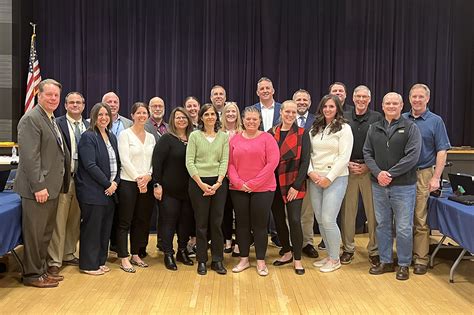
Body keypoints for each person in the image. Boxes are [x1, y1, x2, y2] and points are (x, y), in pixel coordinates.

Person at [15, 79, 70, 287]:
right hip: (37, 189)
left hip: (52, 188)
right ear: (39, 95)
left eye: (56, 95)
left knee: (45, 234)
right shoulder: (31, 119)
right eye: (49, 95)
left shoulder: (50, 118)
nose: (53, 98)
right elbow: (30, 158)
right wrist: (39, 186)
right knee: (35, 235)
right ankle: (32, 275)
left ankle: (42, 270)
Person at [364, 92, 421, 281]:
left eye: (395, 103)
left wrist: (390, 174)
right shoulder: (374, 128)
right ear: (382, 105)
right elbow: (367, 153)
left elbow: (412, 156)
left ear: (401, 105)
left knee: (404, 227)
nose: (391, 106)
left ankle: (404, 264)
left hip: (403, 186)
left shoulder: (411, 127)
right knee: (383, 225)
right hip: (378, 185)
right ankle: (386, 261)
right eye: (387, 103)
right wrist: (378, 173)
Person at [402, 84, 451, 275]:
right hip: (402, 174)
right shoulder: (402, 118)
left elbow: (442, 150)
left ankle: (421, 258)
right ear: (409, 98)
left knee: (420, 218)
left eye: (421, 97)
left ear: (427, 99)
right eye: (414, 96)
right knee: (402, 218)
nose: (417, 100)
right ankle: (405, 255)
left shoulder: (435, 121)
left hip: (423, 173)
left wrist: (436, 177)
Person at [228, 106, 280, 276]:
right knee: (242, 225)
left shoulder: (268, 138)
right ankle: (243, 259)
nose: (251, 121)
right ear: (242, 120)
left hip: (263, 189)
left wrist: (253, 184)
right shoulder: (234, 139)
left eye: (254, 119)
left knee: (260, 225)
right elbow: (229, 164)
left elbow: (272, 163)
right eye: (248, 119)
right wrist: (238, 182)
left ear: (260, 121)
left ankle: (260, 261)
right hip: (238, 188)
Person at [308, 94, 353, 273]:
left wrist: (329, 177)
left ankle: (335, 259)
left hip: (336, 178)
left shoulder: (344, 128)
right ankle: (329, 255)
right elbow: (308, 153)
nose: (328, 109)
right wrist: (311, 172)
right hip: (315, 178)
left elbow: (344, 157)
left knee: (328, 219)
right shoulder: (315, 128)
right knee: (320, 219)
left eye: (331, 107)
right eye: (325, 106)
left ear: (337, 109)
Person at [47, 92, 89, 280]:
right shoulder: (57, 124)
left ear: (83, 105)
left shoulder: (89, 125)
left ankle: (69, 253)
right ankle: (54, 261)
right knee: (59, 221)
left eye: (78, 102)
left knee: (75, 220)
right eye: (71, 102)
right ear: (65, 105)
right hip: (65, 179)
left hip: (84, 181)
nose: (75, 105)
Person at [76, 102, 120, 276]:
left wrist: (115, 183)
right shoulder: (89, 136)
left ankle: (99, 261)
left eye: (106, 115)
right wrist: (108, 184)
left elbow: (118, 163)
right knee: (92, 229)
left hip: (110, 192)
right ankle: (88, 264)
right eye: (100, 114)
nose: (103, 118)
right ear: (94, 117)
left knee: (104, 229)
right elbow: (90, 165)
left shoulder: (111, 136)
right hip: (93, 191)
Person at [340, 85, 382, 266]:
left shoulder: (377, 117)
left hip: (369, 171)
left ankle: (374, 250)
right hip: (347, 169)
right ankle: (348, 249)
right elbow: (338, 143)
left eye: (365, 97)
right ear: (353, 98)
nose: (361, 100)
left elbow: (380, 146)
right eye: (358, 96)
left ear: (370, 99)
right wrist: (346, 163)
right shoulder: (344, 117)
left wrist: (368, 166)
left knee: (373, 214)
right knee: (347, 213)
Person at [186, 104, 229, 275]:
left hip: (218, 184)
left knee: (216, 223)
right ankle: (202, 260)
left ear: (216, 117)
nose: (210, 117)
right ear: (201, 117)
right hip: (198, 184)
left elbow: (224, 161)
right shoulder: (195, 136)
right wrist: (201, 184)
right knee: (201, 224)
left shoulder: (224, 137)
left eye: (213, 114)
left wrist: (218, 183)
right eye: (207, 114)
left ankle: (217, 260)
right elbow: (189, 161)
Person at [269, 100, 310, 275]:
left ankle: (298, 259)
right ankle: (286, 252)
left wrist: (296, 185)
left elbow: (305, 162)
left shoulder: (302, 133)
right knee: (278, 220)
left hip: (294, 183)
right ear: (281, 112)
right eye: (287, 112)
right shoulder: (271, 132)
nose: (290, 115)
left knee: (294, 220)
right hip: (274, 183)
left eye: (293, 112)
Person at [152, 107, 195, 270]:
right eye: (178, 117)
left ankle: (182, 251)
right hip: (169, 190)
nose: (181, 120)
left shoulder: (194, 137)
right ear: (172, 120)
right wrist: (157, 184)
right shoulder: (167, 139)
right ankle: (168, 253)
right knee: (169, 222)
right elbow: (157, 163)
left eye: (184, 117)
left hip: (189, 190)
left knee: (185, 223)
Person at [116, 102, 156, 272]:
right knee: (125, 221)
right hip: (128, 183)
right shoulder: (125, 135)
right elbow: (124, 160)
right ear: (132, 115)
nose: (141, 115)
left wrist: (148, 176)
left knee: (141, 220)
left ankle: (135, 254)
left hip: (146, 183)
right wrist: (138, 178)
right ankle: (124, 257)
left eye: (144, 113)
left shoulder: (151, 137)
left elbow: (154, 161)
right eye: (138, 113)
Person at [293, 89, 319, 259]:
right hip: (290, 173)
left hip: (310, 172)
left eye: (305, 100)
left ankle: (307, 243)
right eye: (298, 100)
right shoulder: (285, 118)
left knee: (307, 212)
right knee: (291, 212)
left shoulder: (317, 121)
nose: (301, 102)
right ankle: (291, 242)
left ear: (309, 103)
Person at [220, 102, 243, 255]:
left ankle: (240, 243)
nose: (230, 114)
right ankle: (227, 240)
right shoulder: (218, 132)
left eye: (233, 111)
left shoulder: (244, 132)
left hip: (240, 177)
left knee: (240, 212)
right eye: (227, 111)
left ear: (237, 114)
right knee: (225, 211)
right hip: (223, 178)